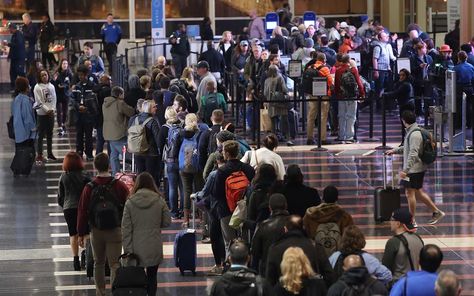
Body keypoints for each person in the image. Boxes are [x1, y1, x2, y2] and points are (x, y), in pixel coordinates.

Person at [77, 153, 129, 296]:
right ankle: (114, 292)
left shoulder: (89, 187)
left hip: (96, 230)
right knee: (115, 264)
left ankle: (100, 292)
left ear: (95, 167)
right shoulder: (119, 185)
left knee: (98, 263)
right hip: (115, 230)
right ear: (109, 166)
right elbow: (128, 205)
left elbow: (82, 211)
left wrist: (81, 233)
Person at [386, 110, 445, 225]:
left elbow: (413, 153)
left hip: (413, 170)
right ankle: (436, 212)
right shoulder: (413, 131)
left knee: (409, 193)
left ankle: (411, 220)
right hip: (416, 168)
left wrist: (405, 170)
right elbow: (408, 147)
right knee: (417, 192)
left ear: (403, 121)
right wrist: (395, 150)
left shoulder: (414, 134)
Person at [121, 172, 171, 296]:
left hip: (135, 247)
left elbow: (125, 228)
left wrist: (127, 250)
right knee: (152, 277)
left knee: (137, 278)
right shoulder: (159, 200)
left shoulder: (130, 202)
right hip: (153, 246)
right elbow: (167, 222)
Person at [266, 215, 336, 288]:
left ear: (285, 229)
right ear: (303, 228)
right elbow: (329, 275)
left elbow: (270, 279)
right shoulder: (315, 246)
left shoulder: (275, 248)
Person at [212, 140, 255, 256]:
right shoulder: (248, 169)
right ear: (238, 152)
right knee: (246, 242)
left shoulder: (221, 171)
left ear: (226, 153)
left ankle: (230, 268)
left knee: (229, 243)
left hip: (226, 210)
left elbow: (216, 193)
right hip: (244, 210)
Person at [57, 152, 91, 271]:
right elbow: (90, 193)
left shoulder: (63, 177)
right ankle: (87, 257)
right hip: (83, 208)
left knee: (73, 234)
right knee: (86, 233)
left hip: (69, 208)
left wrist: (65, 205)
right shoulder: (85, 176)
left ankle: (75, 260)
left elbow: (60, 197)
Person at [303, 185, 354, 254]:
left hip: (316, 255)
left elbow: (305, 234)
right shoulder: (344, 216)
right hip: (338, 255)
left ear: (323, 197)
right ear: (337, 198)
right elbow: (350, 237)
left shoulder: (310, 215)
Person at [176, 113, 206, 227]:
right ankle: (202, 217)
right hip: (197, 166)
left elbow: (176, 148)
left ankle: (186, 219)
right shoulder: (201, 133)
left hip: (184, 166)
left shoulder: (181, 133)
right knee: (199, 190)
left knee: (186, 191)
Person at [382, 208, 425, 284]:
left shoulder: (393, 242)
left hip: (399, 285)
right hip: (415, 282)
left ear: (398, 223)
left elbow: (385, 269)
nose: (390, 222)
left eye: (392, 219)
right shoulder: (418, 238)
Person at [251, 193, 289, 275]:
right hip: (290, 269)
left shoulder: (263, 226)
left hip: (268, 270)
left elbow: (255, 251)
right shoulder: (294, 224)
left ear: (270, 207)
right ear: (286, 206)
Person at [103, 86, 135, 175]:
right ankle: (129, 172)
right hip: (118, 133)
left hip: (108, 132)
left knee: (114, 155)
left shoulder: (105, 103)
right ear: (119, 94)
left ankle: (115, 173)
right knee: (126, 154)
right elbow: (131, 112)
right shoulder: (120, 103)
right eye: (123, 93)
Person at [128, 100, 162, 186]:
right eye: (154, 107)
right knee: (151, 178)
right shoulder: (153, 121)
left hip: (137, 152)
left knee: (140, 176)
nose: (156, 108)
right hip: (151, 153)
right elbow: (158, 139)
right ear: (149, 109)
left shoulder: (134, 119)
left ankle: (141, 193)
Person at [334, 55, 365, 143]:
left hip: (342, 96)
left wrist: (337, 94)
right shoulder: (353, 70)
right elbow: (359, 83)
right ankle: (349, 137)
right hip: (352, 96)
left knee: (341, 116)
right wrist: (362, 93)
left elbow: (336, 85)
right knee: (351, 116)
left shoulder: (338, 70)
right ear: (349, 61)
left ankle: (341, 135)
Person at [10, 77, 36, 176]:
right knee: (29, 152)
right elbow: (28, 118)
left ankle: (17, 169)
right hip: (26, 132)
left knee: (19, 151)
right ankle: (22, 169)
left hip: (18, 130)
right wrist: (33, 131)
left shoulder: (16, 99)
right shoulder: (26, 101)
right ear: (26, 88)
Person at [306, 53, 333, 145]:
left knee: (311, 116)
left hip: (312, 94)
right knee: (323, 116)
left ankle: (309, 138)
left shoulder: (310, 67)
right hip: (323, 94)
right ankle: (322, 138)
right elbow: (330, 81)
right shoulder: (325, 68)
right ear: (324, 60)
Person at [382, 68, 415, 144]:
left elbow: (396, 93)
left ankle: (406, 142)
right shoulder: (404, 84)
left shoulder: (406, 85)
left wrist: (385, 95)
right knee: (406, 126)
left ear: (406, 76)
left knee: (407, 125)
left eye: (403, 75)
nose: (401, 77)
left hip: (406, 106)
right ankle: (405, 142)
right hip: (406, 105)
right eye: (400, 75)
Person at [72, 65, 98, 160]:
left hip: (89, 115)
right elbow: (73, 99)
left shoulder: (92, 86)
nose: (80, 77)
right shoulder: (77, 86)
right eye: (79, 75)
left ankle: (89, 153)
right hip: (79, 115)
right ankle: (79, 152)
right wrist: (78, 106)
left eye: (82, 75)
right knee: (79, 134)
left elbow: (95, 100)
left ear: (86, 75)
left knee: (88, 135)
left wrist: (88, 108)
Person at [264, 64, 293, 145]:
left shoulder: (267, 80)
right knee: (285, 121)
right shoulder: (280, 77)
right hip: (280, 103)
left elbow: (265, 93)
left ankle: (273, 140)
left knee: (273, 123)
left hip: (271, 103)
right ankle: (288, 139)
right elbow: (284, 89)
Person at [34, 69, 57, 164]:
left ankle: (50, 153)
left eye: (46, 75)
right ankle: (39, 154)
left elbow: (54, 98)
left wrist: (53, 109)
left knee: (50, 134)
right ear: (39, 77)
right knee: (40, 135)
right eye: (42, 75)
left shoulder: (51, 86)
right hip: (42, 114)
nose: (44, 76)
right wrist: (47, 110)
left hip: (51, 114)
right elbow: (39, 101)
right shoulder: (37, 87)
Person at [245, 164, 278, 231]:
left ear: (259, 175)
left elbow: (251, 216)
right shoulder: (278, 190)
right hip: (277, 230)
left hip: (259, 232)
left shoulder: (255, 193)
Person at [452, 51, 474, 136]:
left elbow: (454, 80)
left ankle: (459, 124)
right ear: (466, 58)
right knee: (469, 106)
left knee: (458, 105)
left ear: (459, 58)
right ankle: (469, 123)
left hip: (460, 88)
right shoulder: (471, 67)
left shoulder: (456, 68)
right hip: (470, 88)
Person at [53, 59, 73, 137]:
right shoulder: (57, 73)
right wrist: (56, 82)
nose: (65, 65)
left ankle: (63, 123)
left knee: (65, 111)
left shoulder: (69, 74)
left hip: (66, 94)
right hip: (58, 94)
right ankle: (60, 125)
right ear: (61, 65)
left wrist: (68, 87)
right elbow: (54, 83)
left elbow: (72, 83)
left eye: (66, 63)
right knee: (59, 111)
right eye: (63, 63)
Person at [93, 74, 112, 154]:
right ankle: (110, 157)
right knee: (109, 140)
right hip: (108, 118)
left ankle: (98, 156)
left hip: (99, 118)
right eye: (109, 80)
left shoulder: (96, 90)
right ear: (106, 81)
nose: (111, 81)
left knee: (100, 140)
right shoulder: (109, 91)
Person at [6, 23, 26, 90]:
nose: (9, 30)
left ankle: (25, 86)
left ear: (12, 28)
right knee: (12, 73)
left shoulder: (18, 34)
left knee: (19, 72)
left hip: (19, 57)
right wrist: (9, 56)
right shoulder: (14, 35)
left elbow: (18, 45)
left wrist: (8, 44)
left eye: (9, 28)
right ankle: (14, 87)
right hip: (14, 58)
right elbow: (13, 48)